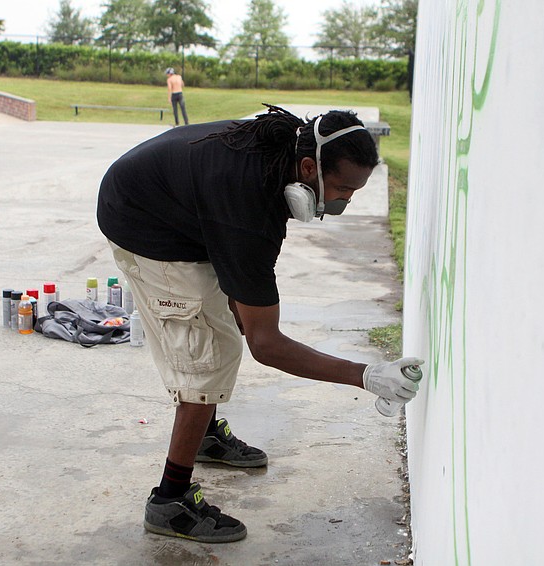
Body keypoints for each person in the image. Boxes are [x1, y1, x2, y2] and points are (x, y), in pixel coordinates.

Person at [96, 105, 424, 544]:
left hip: (183, 206)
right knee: (208, 356)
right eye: (344, 188)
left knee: (227, 325)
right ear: (309, 168)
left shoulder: (281, 154)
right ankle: (169, 502)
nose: (345, 202)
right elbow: (266, 345)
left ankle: (206, 436)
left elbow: (247, 303)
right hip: (142, 220)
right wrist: (367, 376)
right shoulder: (247, 212)